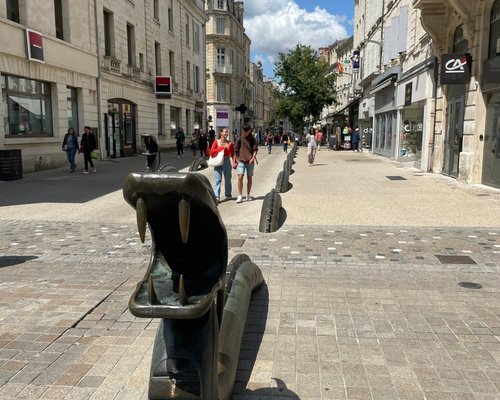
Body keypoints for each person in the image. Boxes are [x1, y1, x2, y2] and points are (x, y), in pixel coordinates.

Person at [210, 128, 236, 202]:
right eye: (225, 132)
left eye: (227, 132)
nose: (226, 133)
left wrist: (234, 162)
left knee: (228, 179)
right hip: (218, 161)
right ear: (221, 133)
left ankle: (228, 195)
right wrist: (221, 148)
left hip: (226, 161)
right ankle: (216, 196)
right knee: (217, 180)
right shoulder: (216, 142)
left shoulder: (230, 143)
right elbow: (212, 152)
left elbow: (233, 154)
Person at [234, 125, 258, 203]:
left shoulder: (252, 139)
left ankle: (248, 194)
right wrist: (237, 159)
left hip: (250, 161)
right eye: (243, 132)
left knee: (249, 178)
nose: (244, 133)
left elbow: (255, 150)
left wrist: (252, 158)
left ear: (248, 131)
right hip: (241, 161)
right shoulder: (239, 138)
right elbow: (236, 150)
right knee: (240, 177)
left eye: (245, 132)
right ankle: (240, 195)